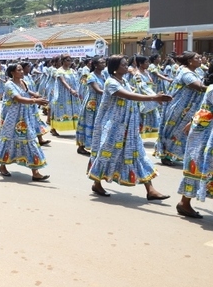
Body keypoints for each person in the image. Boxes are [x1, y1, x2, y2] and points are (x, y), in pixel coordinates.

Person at [88, 55, 172, 199]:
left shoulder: (124, 80)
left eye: (127, 64)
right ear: (115, 68)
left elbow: (135, 94)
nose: (127, 67)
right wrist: (154, 98)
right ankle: (97, 183)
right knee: (105, 153)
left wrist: (154, 97)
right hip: (114, 126)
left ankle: (150, 190)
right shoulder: (110, 82)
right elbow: (129, 96)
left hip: (129, 125)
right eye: (123, 65)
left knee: (138, 154)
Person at [0, 64, 50, 181]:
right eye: (18, 70)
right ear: (12, 72)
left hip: (24, 116)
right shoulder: (9, 84)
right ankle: (2, 166)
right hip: (12, 117)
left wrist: (36, 95)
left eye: (21, 70)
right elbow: (18, 98)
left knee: (30, 140)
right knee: (8, 139)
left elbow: (27, 91)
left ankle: (35, 172)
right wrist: (36, 100)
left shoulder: (23, 82)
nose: (22, 72)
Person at [155, 52, 207, 166]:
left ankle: (176, 154)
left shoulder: (196, 71)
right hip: (179, 107)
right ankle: (166, 154)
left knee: (183, 132)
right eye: (197, 58)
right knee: (173, 130)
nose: (200, 59)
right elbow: (200, 87)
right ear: (189, 61)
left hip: (187, 107)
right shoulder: (186, 73)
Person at [175, 70, 213, 219]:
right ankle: (184, 203)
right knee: (196, 166)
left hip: (203, 131)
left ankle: (184, 203)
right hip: (204, 135)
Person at [75, 56, 106, 155]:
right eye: (101, 63)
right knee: (89, 123)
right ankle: (81, 146)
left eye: (104, 62)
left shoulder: (103, 76)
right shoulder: (91, 76)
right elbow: (97, 90)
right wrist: (112, 93)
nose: (103, 64)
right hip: (92, 103)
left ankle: (96, 146)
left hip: (101, 102)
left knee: (99, 124)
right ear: (95, 65)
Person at [50, 54, 82, 136]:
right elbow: (63, 82)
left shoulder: (72, 71)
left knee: (75, 110)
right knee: (60, 111)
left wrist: (79, 92)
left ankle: (78, 128)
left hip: (73, 94)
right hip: (63, 94)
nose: (70, 62)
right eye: (68, 60)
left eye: (71, 60)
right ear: (63, 61)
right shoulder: (59, 71)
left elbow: (77, 82)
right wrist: (70, 90)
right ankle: (53, 128)